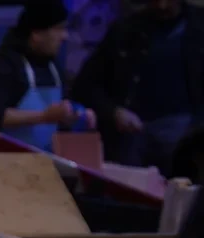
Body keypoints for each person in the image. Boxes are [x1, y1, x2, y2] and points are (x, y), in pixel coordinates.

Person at [72, 0, 203, 175]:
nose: (162, 5)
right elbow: (84, 85)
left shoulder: (199, 26)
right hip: (133, 137)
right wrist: (114, 111)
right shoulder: (125, 30)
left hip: (187, 137)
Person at [0, 0, 95, 151]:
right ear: (36, 33)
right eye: (58, 29)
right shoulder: (2, 64)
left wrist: (78, 114)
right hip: (5, 163)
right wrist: (44, 117)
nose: (64, 36)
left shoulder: (53, 67)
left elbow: (62, 110)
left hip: (46, 161)